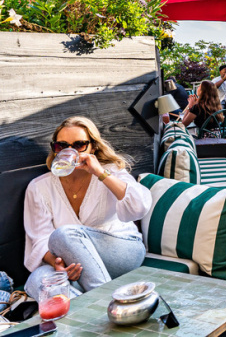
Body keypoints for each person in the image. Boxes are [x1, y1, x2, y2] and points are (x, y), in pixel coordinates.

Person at [23, 117, 152, 301]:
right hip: (74, 264)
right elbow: (40, 237)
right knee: (38, 280)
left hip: (122, 251)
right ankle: (87, 313)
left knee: (63, 235)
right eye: (62, 146)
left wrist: (99, 172)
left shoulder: (109, 171)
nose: (70, 151)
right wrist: (58, 264)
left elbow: (139, 206)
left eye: (79, 145)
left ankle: (106, 302)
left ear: (93, 147)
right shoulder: (39, 187)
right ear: (55, 149)